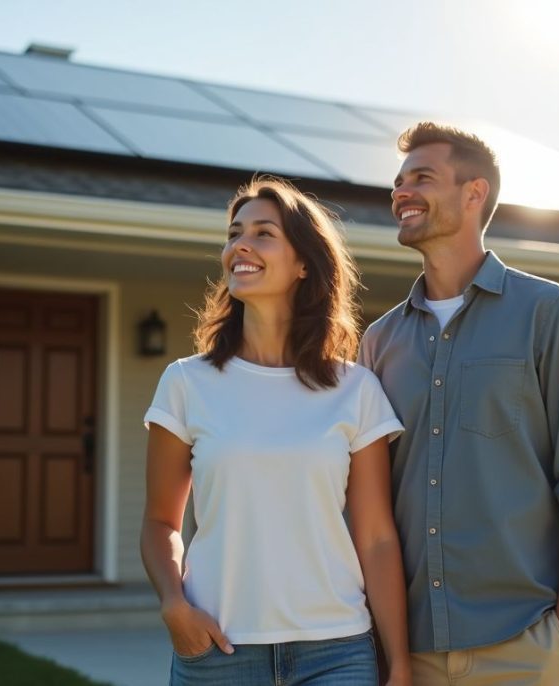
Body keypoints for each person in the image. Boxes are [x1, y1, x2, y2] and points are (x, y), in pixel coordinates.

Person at [358, 123, 559, 685]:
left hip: (524, 644)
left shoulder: (549, 312)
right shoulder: (378, 343)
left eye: (421, 177)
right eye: (399, 181)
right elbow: (369, 501)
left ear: (474, 193)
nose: (401, 191)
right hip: (412, 655)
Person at [140, 177, 412, 686]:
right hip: (217, 651)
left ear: (304, 263)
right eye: (234, 233)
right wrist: (174, 606)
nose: (239, 245)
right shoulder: (186, 382)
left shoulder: (356, 390)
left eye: (263, 233)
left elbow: (376, 538)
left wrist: (397, 662)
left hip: (336, 652)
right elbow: (161, 523)